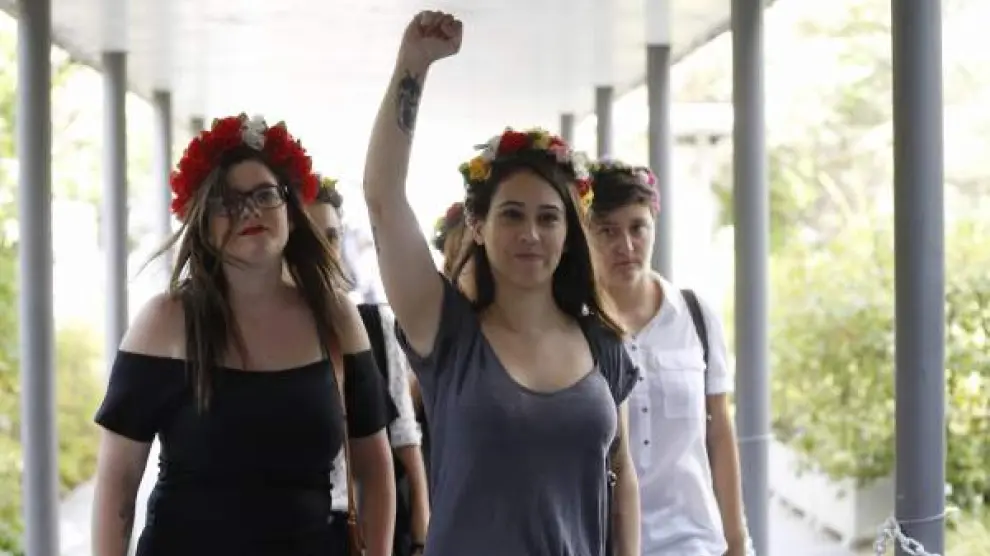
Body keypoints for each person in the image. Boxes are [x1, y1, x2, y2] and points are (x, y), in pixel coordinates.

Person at [362, 11, 641, 556]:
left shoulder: (603, 344)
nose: (530, 234)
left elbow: (623, 478)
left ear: (569, 232)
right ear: (478, 226)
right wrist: (413, 65)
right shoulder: (447, 333)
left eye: (548, 218)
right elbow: (383, 197)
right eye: (512, 215)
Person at [90, 114, 396, 556]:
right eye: (226, 202)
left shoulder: (335, 317)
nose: (249, 210)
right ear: (202, 223)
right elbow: (117, 485)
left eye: (265, 194)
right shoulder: (164, 321)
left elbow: (375, 469)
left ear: (291, 210)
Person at [585, 158, 749, 556]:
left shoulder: (695, 316)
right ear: (584, 233)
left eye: (637, 227)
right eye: (607, 230)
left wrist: (737, 540)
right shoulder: (573, 327)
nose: (626, 246)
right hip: (603, 542)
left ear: (654, 226)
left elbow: (720, 432)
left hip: (693, 541)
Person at [308, 177, 431, 556]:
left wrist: (422, 519)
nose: (322, 249)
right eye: (309, 236)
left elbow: (402, 432)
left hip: (361, 520)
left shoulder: (373, 325)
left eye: (331, 237)